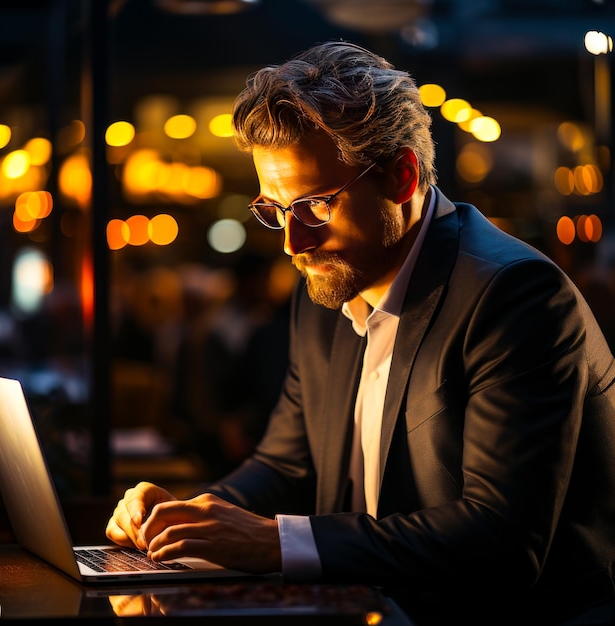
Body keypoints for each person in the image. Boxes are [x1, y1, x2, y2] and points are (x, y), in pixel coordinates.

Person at [106, 41, 615, 624]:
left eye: (317, 205)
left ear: (401, 176)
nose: (293, 244)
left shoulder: (515, 295)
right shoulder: (326, 286)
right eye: (275, 208)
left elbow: (501, 542)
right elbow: (286, 467)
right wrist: (191, 515)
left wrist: (273, 542)